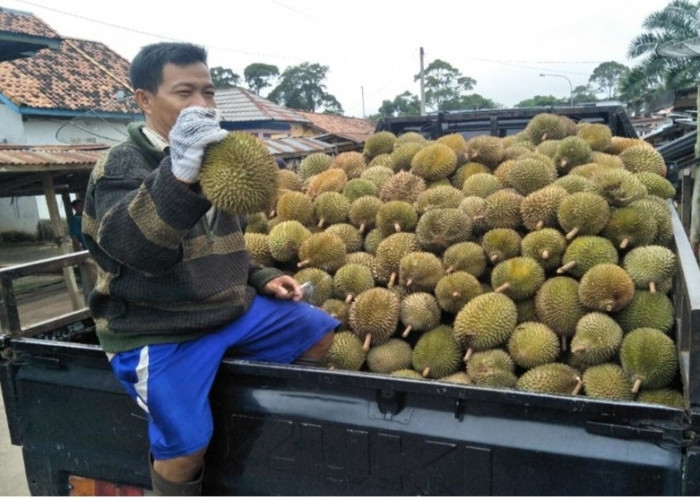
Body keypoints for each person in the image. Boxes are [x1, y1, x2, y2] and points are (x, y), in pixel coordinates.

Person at [81, 42, 338, 496]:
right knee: (185, 448)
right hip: (157, 327)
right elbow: (135, 250)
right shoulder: (121, 165)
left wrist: (260, 277)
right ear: (144, 99)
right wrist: (178, 176)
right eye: (185, 93)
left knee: (316, 329)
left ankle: (250, 425)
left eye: (209, 92)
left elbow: (227, 244)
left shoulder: (216, 160)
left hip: (224, 312)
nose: (201, 105)